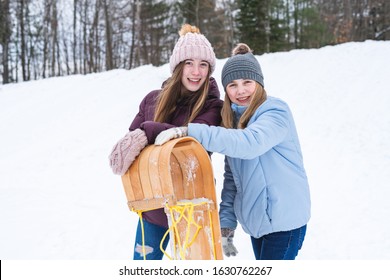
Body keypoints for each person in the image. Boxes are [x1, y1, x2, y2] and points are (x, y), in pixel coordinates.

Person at [155, 43, 311, 260]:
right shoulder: (235, 122)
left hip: (285, 222)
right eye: (232, 85)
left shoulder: (275, 111)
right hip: (260, 224)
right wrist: (227, 223)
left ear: (259, 83)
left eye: (247, 82)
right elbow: (233, 179)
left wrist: (188, 131)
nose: (241, 91)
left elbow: (250, 144)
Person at [109, 24, 223, 260]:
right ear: (178, 66)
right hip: (153, 208)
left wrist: (148, 131)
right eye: (189, 63)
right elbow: (133, 144)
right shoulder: (152, 101)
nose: (196, 71)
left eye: (203, 65)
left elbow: (192, 141)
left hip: (193, 207)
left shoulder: (212, 106)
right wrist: (138, 138)